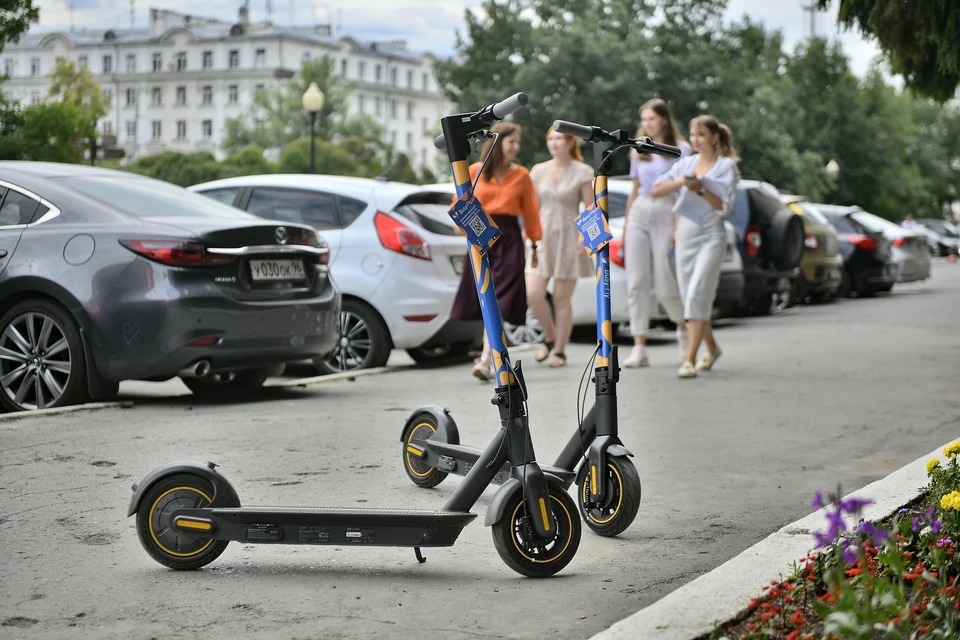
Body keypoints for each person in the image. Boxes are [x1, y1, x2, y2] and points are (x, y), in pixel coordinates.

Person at [448, 122, 541, 382]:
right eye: (512, 142)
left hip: (509, 239)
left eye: (517, 142)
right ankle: (494, 357)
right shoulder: (474, 171)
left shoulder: (522, 175)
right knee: (487, 298)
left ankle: (486, 357)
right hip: (481, 237)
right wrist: (461, 228)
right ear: (498, 143)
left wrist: (534, 243)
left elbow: (531, 213)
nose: (516, 147)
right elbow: (459, 205)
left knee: (499, 302)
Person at [652, 115, 740, 379]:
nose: (696, 139)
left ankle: (689, 359)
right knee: (691, 294)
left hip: (711, 232)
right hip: (686, 233)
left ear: (714, 137)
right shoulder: (686, 164)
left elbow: (725, 207)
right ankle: (711, 348)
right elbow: (656, 189)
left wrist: (701, 189)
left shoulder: (726, 167)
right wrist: (683, 183)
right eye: (692, 134)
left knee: (697, 293)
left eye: (701, 134)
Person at [621, 98, 692, 368]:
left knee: (665, 282)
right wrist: (627, 225)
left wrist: (677, 224)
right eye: (644, 119)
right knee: (636, 281)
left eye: (651, 118)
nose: (646, 124)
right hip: (641, 208)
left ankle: (683, 329)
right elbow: (635, 187)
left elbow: (683, 189)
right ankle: (640, 347)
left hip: (667, 209)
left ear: (663, 119)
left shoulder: (681, 149)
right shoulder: (638, 148)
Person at [525, 127, 595, 368]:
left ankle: (560, 350)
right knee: (533, 294)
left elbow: (591, 207)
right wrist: (528, 233)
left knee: (561, 299)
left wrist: (586, 238)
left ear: (569, 142)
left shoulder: (583, 171)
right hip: (542, 235)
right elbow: (531, 206)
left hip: (569, 234)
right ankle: (550, 336)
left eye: (558, 138)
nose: (554, 143)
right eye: (550, 139)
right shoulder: (538, 170)